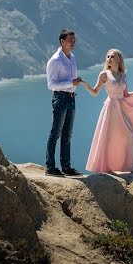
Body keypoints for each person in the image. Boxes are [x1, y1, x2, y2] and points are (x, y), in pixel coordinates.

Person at [81, 49, 133, 173]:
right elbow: (95, 92)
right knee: (109, 138)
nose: (109, 58)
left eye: (113, 56)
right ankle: (107, 168)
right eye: (108, 56)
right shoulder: (104, 74)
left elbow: (126, 94)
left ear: (119, 59)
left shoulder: (123, 75)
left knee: (131, 135)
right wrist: (84, 84)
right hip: (110, 108)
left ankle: (129, 166)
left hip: (121, 108)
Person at [45, 29, 84, 176]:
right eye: (70, 40)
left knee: (67, 134)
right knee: (56, 133)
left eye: (74, 40)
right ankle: (50, 167)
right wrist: (71, 82)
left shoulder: (72, 57)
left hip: (71, 98)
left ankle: (66, 167)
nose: (73, 43)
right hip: (60, 98)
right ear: (62, 41)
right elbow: (51, 84)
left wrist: (74, 84)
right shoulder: (55, 60)